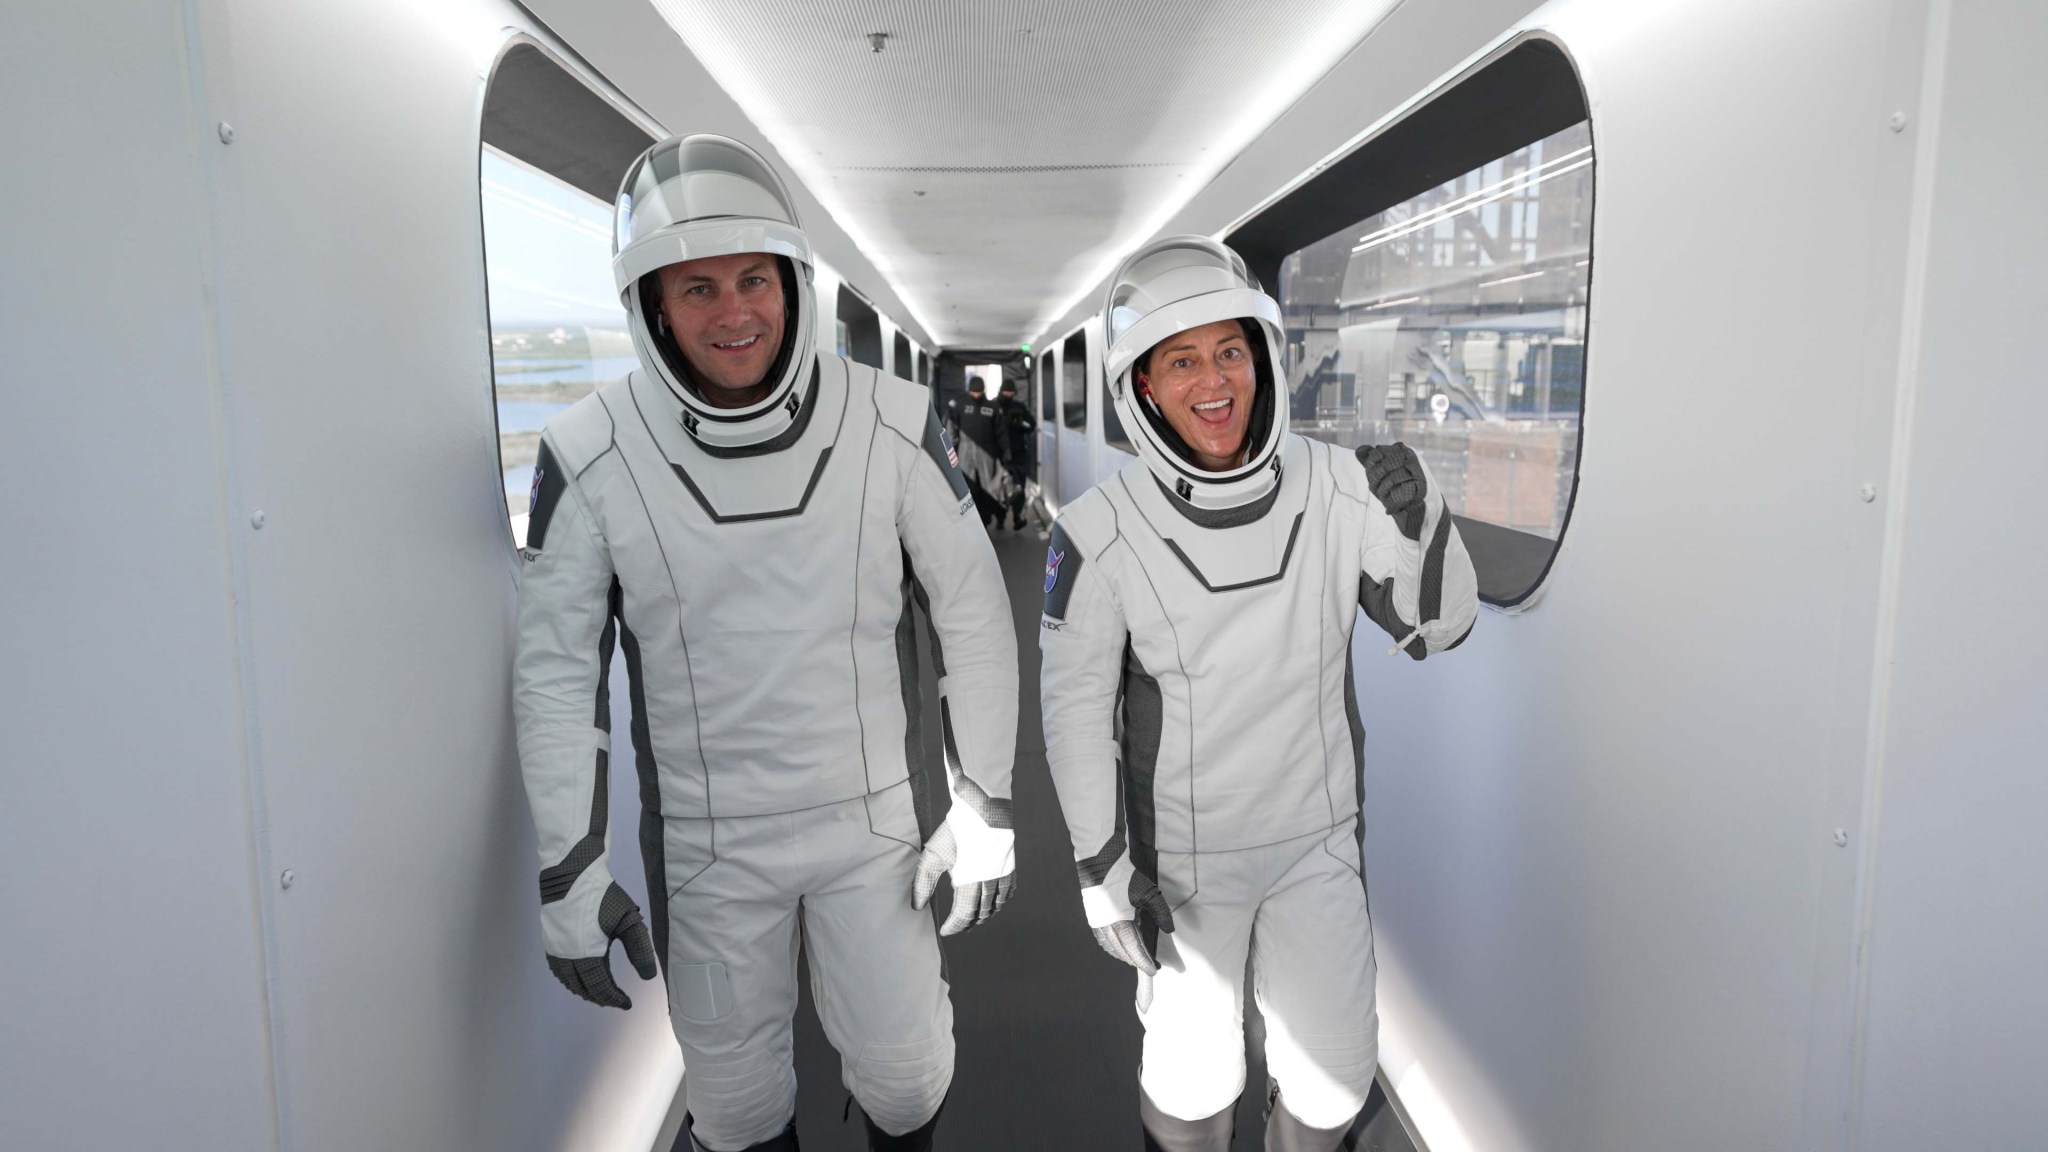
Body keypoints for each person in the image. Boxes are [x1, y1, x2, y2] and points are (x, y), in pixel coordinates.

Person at [514, 135, 1018, 1152]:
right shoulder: (589, 454)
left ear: (792, 282)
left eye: (753, 279)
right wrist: (566, 869)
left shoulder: (891, 421)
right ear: (651, 302)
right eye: (696, 288)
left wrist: (985, 803)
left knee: (908, 1082)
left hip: (870, 821)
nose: (734, 312)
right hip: (709, 838)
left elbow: (971, 612)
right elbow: (558, 675)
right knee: (737, 1113)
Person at [1038, 236, 1478, 1152]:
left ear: (1262, 359)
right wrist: (1103, 871)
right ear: (1144, 387)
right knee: (1195, 1085)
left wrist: (1423, 522)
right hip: (1182, 862)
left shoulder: (1339, 485)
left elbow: (1436, 625)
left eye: (1229, 351)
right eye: (1183, 359)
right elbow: (1076, 716)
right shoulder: (1098, 533)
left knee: (1330, 1085)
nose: (1214, 380)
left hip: (1316, 841)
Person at [951, 377, 1006, 528]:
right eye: (973, 393)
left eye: (979, 393)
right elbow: (951, 428)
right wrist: (949, 449)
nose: (976, 396)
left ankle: (988, 517)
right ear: (969, 391)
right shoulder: (959, 405)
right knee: (968, 487)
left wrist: (1005, 451)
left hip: (987, 453)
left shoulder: (993, 407)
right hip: (965, 451)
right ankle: (971, 519)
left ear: (984, 391)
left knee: (988, 488)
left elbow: (1001, 432)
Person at [994, 379, 1039, 531]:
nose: (1009, 394)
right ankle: (1000, 518)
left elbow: (1031, 424)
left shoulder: (1019, 407)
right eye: (1007, 391)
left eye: (1011, 392)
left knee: (1018, 487)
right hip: (1000, 455)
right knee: (1001, 488)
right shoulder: (994, 406)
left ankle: (1016, 517)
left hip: (1018, 453)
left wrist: (1020, 424)